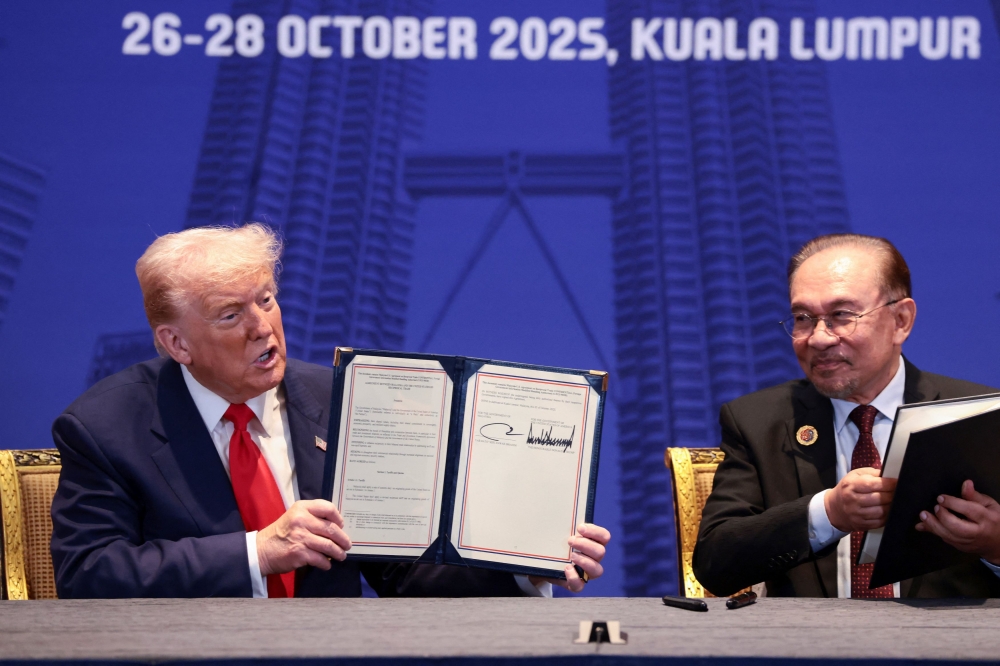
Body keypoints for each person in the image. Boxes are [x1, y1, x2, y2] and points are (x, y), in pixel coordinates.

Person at [50, 224, 610, 598]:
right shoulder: (105, 427)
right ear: (176, 344)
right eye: (229, 315)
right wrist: (258, 552)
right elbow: (89, 572)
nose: (261, 327)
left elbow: (401, 568)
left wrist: (520, 557)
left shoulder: (344, 397)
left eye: (266, 299)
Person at [693, 233, 1000, 598]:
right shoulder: (758, 421)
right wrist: (829, 512)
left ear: (901, 320)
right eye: (803, 318)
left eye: (841, 315)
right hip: (811, 649)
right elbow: (715, 564)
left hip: (949, 647)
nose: (819, 338)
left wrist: (995, 545)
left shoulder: (981, 415)